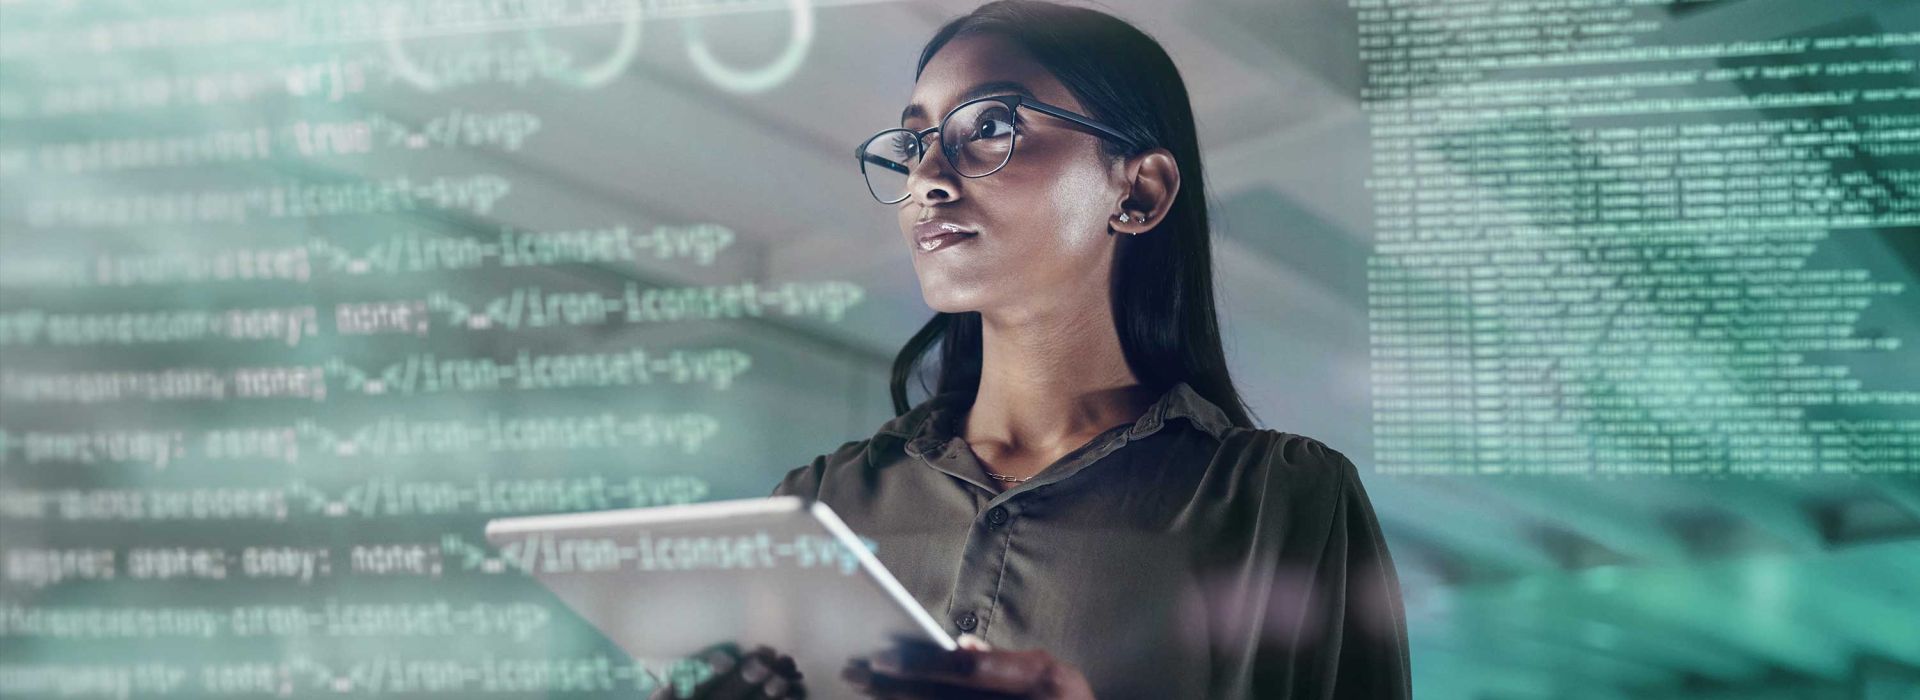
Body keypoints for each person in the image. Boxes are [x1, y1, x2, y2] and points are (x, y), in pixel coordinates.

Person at [664, 1, 1410, 698]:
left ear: (1140, 191)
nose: (926, 176)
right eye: (917, 141)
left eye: (989, 125)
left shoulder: (1279, 504)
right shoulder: (818, 507)